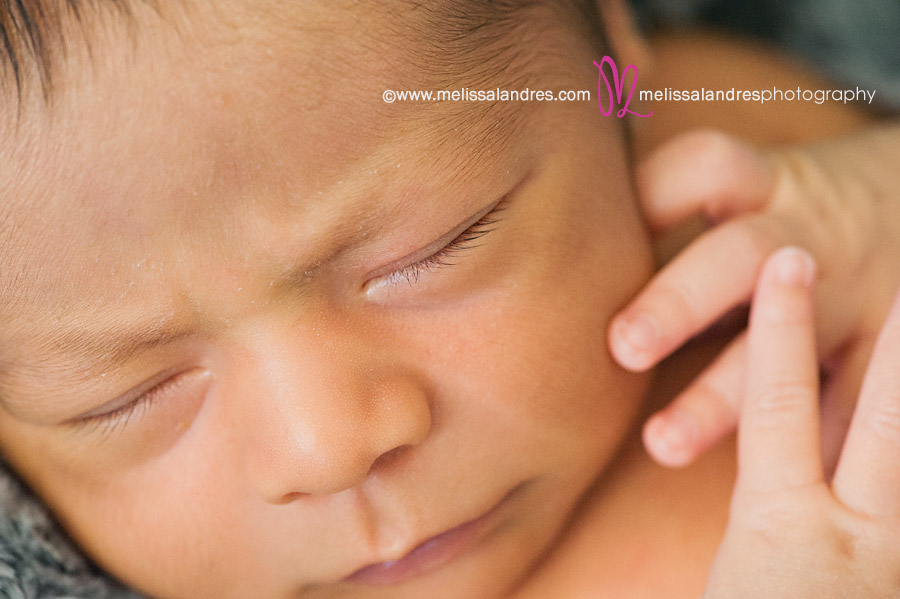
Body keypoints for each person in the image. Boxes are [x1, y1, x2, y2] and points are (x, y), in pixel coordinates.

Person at [0, 1, 897, 598]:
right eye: (121, 396)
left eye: (430, 251)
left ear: (615, 76)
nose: (329, 444)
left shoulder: (727, 154)